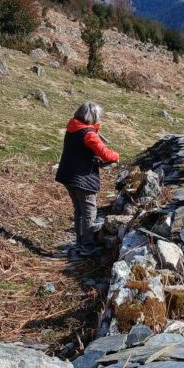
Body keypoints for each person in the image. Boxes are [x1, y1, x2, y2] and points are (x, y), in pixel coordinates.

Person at [55, 102, 119, 256]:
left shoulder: (72, 128)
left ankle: (80, 242)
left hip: (68, 175)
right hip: (83, 177)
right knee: (89, 211)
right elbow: (106, 154)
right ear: (94, 116)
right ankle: (88, 246)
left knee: (79, 210)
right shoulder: (88, 133)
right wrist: (117, 156)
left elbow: (80, 151)